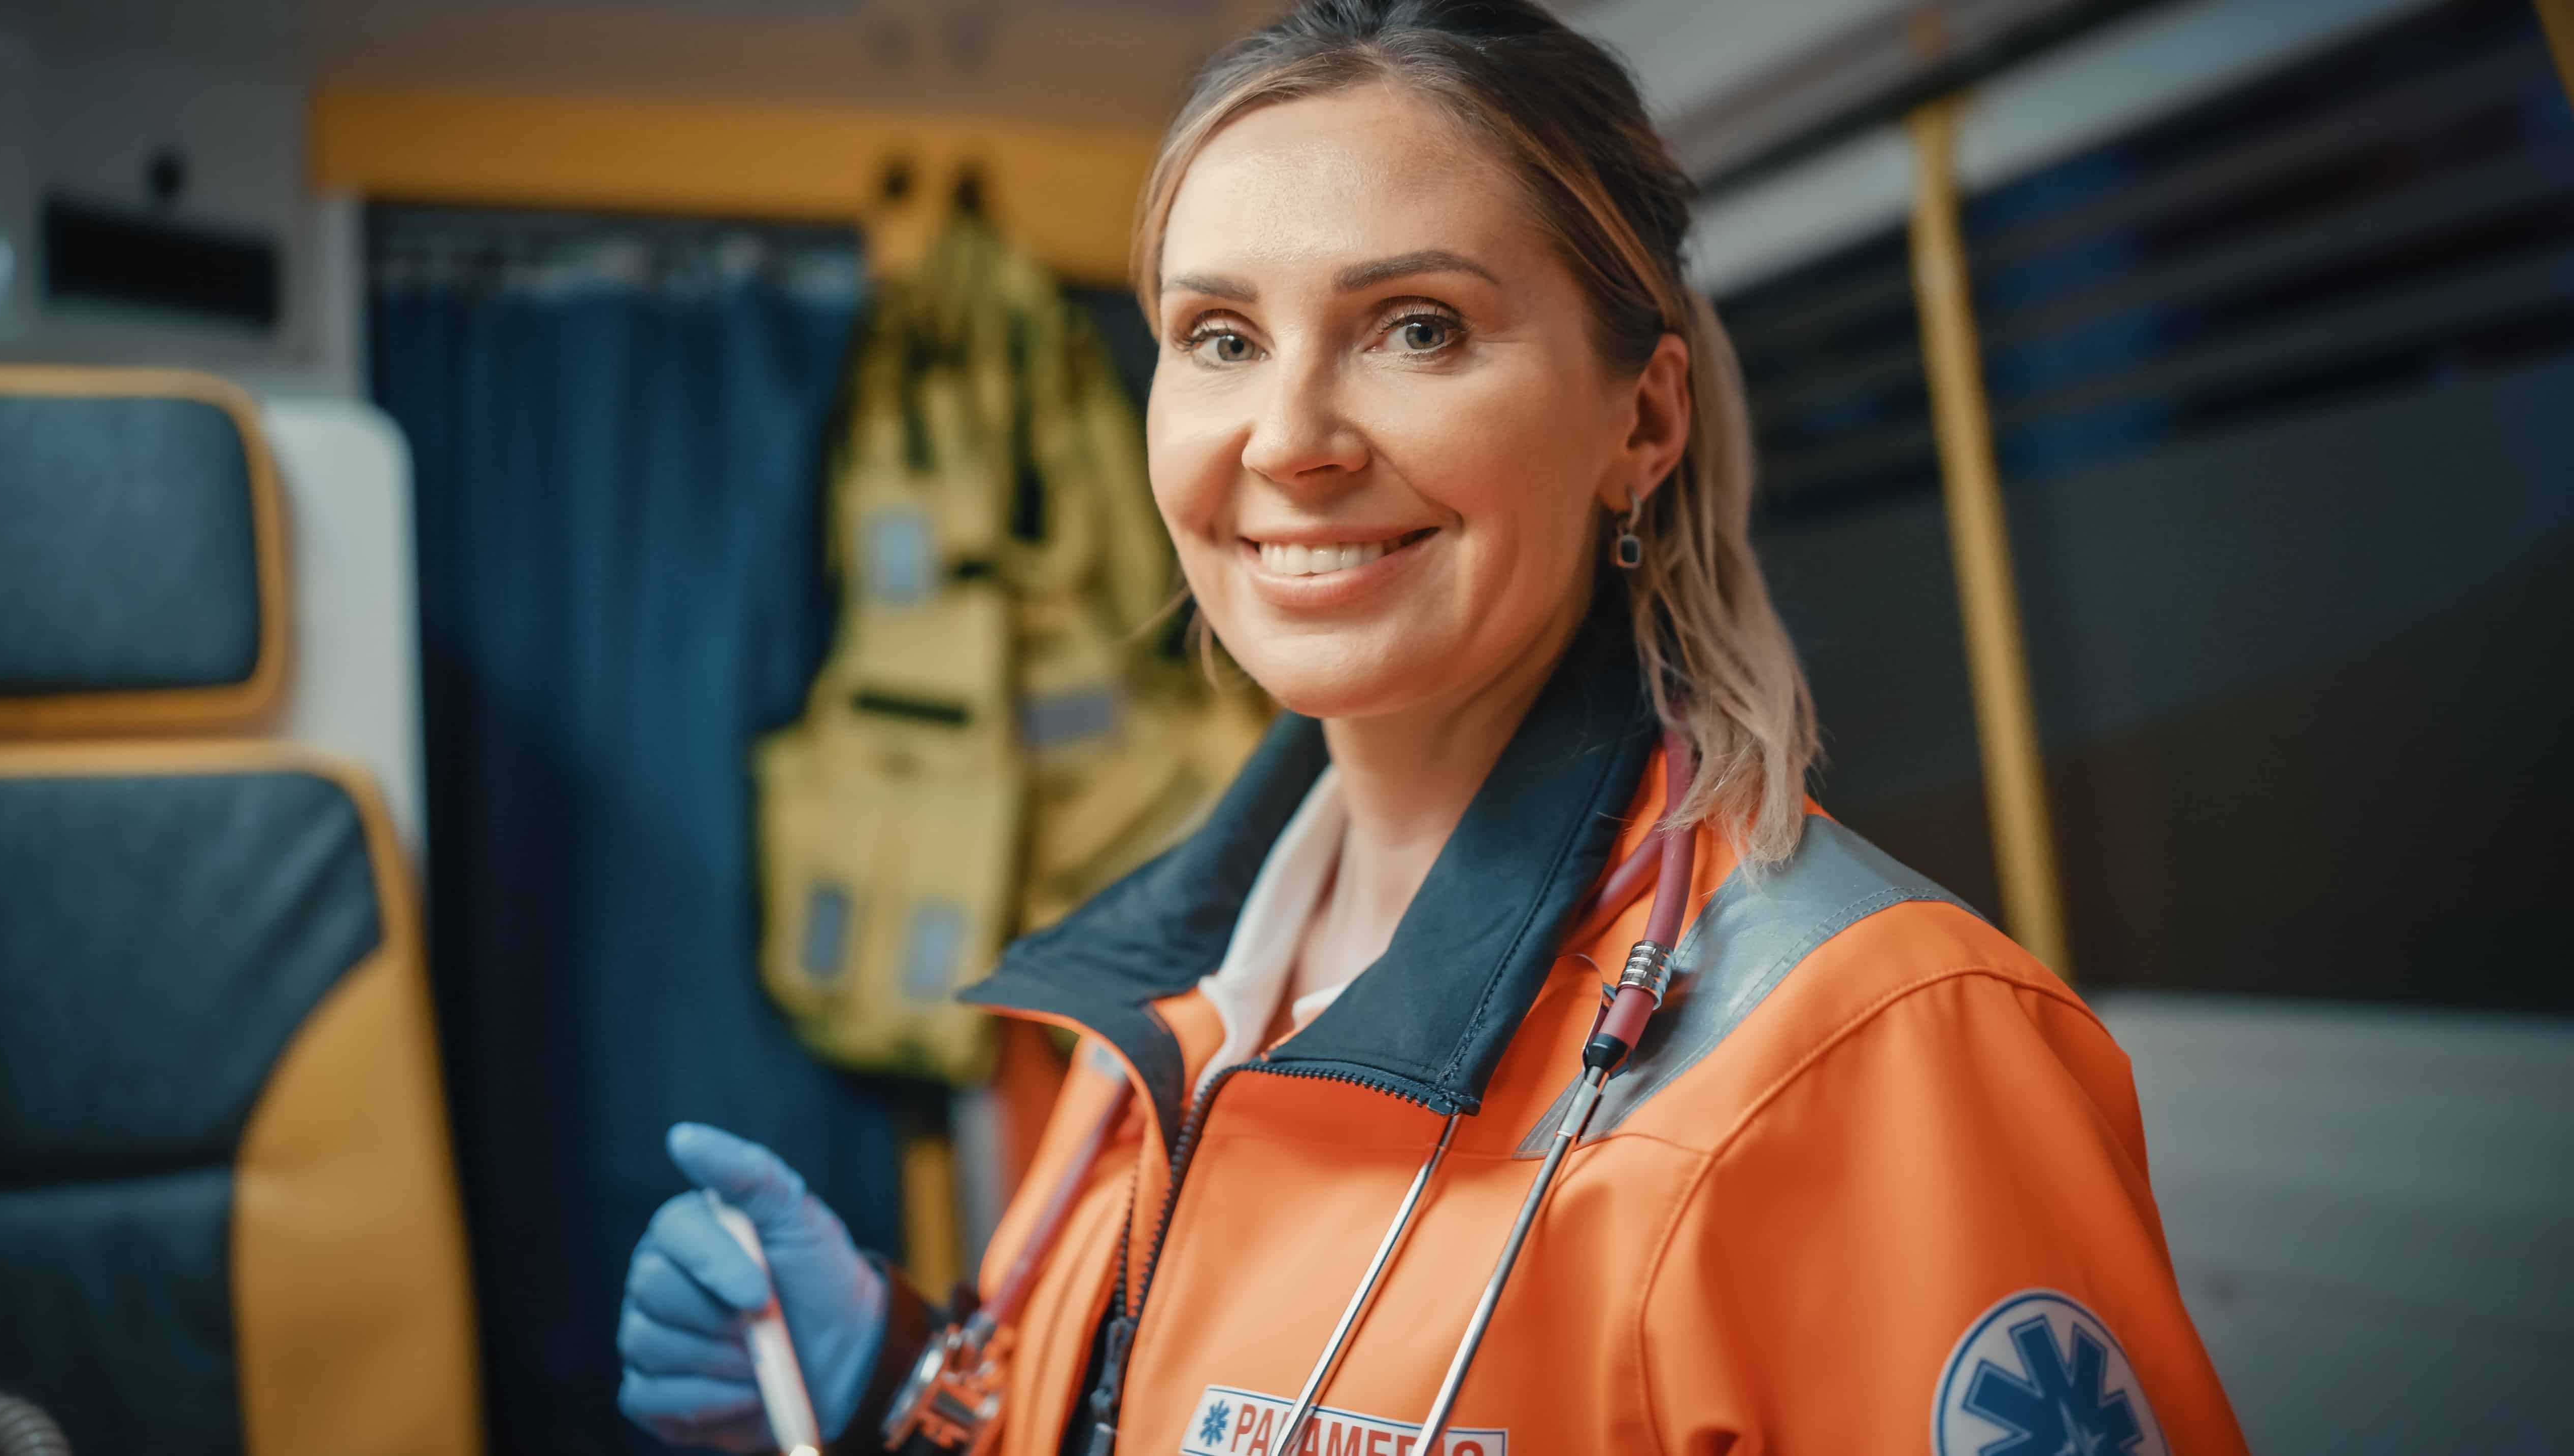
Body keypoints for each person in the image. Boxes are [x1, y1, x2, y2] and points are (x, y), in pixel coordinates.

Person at [616, 3, 2252, 1452]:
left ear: (1645, 416)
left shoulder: (1874, 1052)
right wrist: (907, 1389)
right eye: (1221, 338)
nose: (1292, 438)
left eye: (1418, 328)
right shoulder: (1162, 1006)